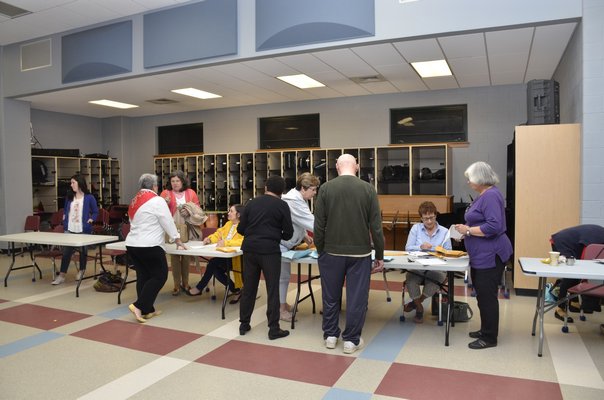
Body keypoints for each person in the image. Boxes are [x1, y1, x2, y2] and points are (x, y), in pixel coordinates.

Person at [314, 154, 384, 354]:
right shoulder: (368, 189)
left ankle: (330, 335)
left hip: (331, 252)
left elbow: (318, 226)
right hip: (360, 254)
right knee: (357, 298)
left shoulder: (326, 189)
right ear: (358, 167)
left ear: (337, 167)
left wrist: (321, 250)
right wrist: (379, 254)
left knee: (330, 296)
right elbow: (376, 227)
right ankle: (351, 340)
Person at [455, 161, 512, 350]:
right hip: (481, 255)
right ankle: (485, 329)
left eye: (470, 178)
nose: (468, 181)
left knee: (487, 296)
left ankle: (489, 337)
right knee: (482, 295)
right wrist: (466, 232)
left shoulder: (491, 196)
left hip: (491, 254)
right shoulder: (484, 195)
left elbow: (494, 226)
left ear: (480, 178)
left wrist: (469, 230)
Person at [237, 175, 294, 340]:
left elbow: (241, 229)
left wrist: (254, 234)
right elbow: (288, 233)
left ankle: (244, 324)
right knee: (272, 289)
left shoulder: (252, 202)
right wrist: (274, 234)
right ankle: (273, 329)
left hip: (250, 250)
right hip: (270, 251)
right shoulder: (282, 205)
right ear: (282, 191)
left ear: (265, 187)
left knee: (249, 287)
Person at [126, 173, 185, 323]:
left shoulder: (134, 200)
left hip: (133, 244)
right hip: (150, 244)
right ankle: (139, 306)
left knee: (144, 276)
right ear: (154, 186)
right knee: (160, 275)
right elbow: (167, 221)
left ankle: (147, 310)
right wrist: (177, 239)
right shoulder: (157, 200)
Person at [279, 172, 320, 322]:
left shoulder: (297, 198)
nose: (315, 193)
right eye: (313, 190)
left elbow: (295, 220)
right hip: (280, 244)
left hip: (287, 243)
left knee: (284, 276)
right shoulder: (293, 201)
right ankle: (281, 310)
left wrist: (303, 234)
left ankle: (281, 304)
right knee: (282, 277)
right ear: (303, 188)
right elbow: (312, 222)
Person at [404, 201, 452, 323]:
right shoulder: (416, 228)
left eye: (431, 217)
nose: (429, 221)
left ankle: (417, 302)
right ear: (421, 218)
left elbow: (449, 251)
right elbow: (408, 247)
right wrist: (420, 246)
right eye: (425, 219)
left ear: (436, 215)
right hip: (418, 265)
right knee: (411, 280)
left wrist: (439, 250)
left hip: (437, 267)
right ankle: (419, 308)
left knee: (435, 281)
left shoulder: (445, 231)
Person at [186, 204, 244, 298]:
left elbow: (242, 241)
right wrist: (209, 239)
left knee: (212, 263)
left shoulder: (244, 226)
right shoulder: (228, 224)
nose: (228, 213)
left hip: (237, 257)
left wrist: (226, 243)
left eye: (231, 211)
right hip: (224, 255)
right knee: (215, 269)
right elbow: (218, 234)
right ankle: (235, 289)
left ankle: (199, 288)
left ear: (238, 214)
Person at [160, 170, 202, 296]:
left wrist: (189, 212)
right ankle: (176, 285)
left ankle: (186, 283)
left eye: (177, 180)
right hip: (172, 229)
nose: (175, 183)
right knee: (174, 257)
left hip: (187, 228)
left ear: (183, 181)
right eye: (172, 181)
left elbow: (198, 209)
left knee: (186, 256)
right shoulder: (165, 193)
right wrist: (164, 203)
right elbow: (159, 211)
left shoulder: (191, 193)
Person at [550, 224, 604, 322]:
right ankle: (559, 309)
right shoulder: (598, 238)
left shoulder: (600, 235)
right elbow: (585, 258)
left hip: (573, 243)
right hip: (563, 242)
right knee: (570, 276)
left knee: (576, 274)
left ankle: (573, 303)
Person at [51, 175, 99, 285]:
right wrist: (64, 218)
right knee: (66, 252)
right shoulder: (69, 197)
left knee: (83, 251)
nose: (71, 185)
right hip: (70, 229)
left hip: (83, 229)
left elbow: (96, 211)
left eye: (73, 182)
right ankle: (62, 275)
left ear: (80, 183)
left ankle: (82, 271)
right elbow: (65, 210)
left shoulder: (89, 197)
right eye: (71, 183)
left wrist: (91, 219)